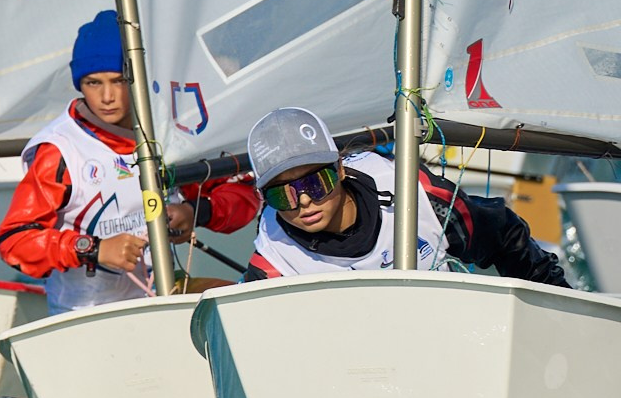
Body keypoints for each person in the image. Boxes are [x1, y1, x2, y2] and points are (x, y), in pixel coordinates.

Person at [0, 10, 262, 313]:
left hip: (162, 294)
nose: (107, 96)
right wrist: (94, 250)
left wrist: (194, 212)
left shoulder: (166, 129)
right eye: (93, 82)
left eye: (119, 80)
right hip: (87, 312)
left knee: (250, 306)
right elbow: (15, 241)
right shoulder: (59, 150)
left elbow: (241, 193)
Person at [243, 106, 569, 284]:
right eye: (281, 195)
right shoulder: (273, 260)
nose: (302, 202)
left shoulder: (415, 193)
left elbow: (503, 233)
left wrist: (557, 306)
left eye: (315, 184)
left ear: (340, 169)